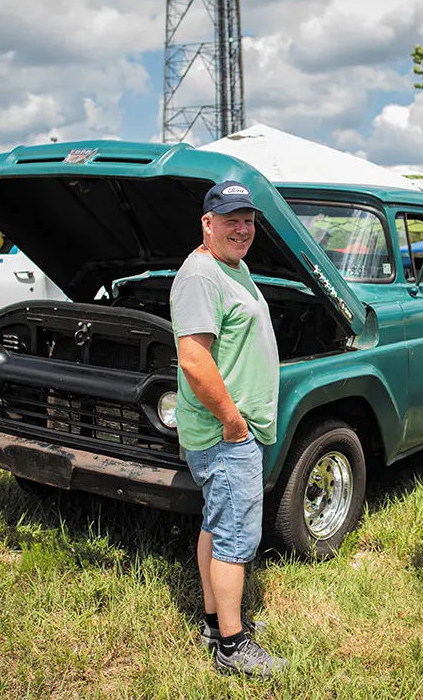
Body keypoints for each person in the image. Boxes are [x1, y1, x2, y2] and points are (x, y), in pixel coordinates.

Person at [169, 180, 287, 678]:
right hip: (225, 434)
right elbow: (194, 360)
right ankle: (233, 648)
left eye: (248, 220)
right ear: (207, 223)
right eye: (231, 220)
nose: (242, 229)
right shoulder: (201, 275)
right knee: (237, 538)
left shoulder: (230, 265)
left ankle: (215, 621)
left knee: (217, 526)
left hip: (231, 431)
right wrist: (233, 422)